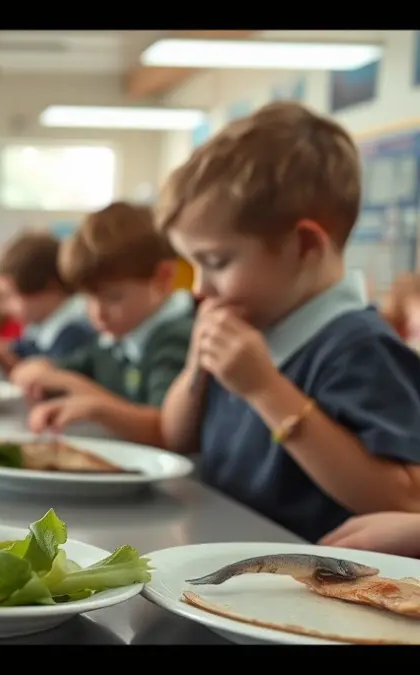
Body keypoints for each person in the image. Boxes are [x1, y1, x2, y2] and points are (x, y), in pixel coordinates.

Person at [156, 102, 420, 543]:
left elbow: (402, 498)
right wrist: (197, 366)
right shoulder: (252, 325)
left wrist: (264, 388)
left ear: (304, 246)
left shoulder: (359, 345)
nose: (200, 287)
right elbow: (175, 436)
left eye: (217, 261)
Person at [10, 202, 193, 448]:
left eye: (113, 297)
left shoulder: (176, 337)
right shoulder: (116, 336)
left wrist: (93, 404)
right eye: (87, 298)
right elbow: (66, 369)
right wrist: (43, 369)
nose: (97, 312)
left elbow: (165, 427)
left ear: (163, 278)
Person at [0, 232, 96, 370]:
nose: (4, 308)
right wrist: (2, 351)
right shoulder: (40, 327)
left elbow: (54, 378)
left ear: (50, 286)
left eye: (11, 296)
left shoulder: (76, 331)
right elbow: (27, 349)